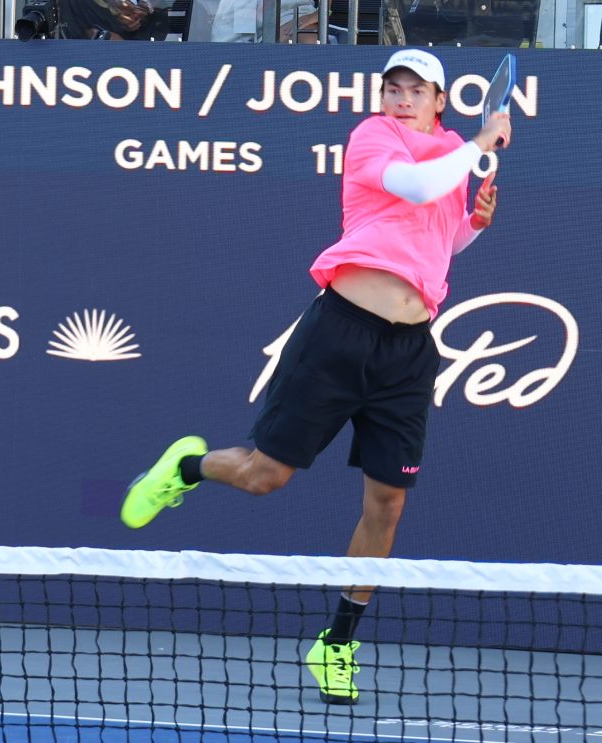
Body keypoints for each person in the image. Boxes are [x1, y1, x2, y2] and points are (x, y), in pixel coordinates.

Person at [120, 49, 510, 706]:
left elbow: (435, 246)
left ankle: (337, 642)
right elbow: (413, 189)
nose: (403, 98)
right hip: (340, 332)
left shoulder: (449, 152)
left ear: (440, 100)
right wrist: (478, 143)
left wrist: (471, 222)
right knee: (263, 476)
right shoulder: (373, 138)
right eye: (394, 88)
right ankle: (186, 468)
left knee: (387, 503)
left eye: (417, 90)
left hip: (409, 350)